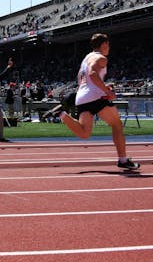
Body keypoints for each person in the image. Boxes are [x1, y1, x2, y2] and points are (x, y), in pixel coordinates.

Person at [44, 33, 139, 171]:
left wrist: (102, 86)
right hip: (96, 97)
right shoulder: (101, 58)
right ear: (104, 44)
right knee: (117, 124)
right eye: (108, 44)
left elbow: (82, 78)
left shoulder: (86, 58)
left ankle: (62, 114)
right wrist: (107, 92)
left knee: (84, 133)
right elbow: (93, 74)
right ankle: (123, 160)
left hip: (82, 97)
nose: (109, 47)